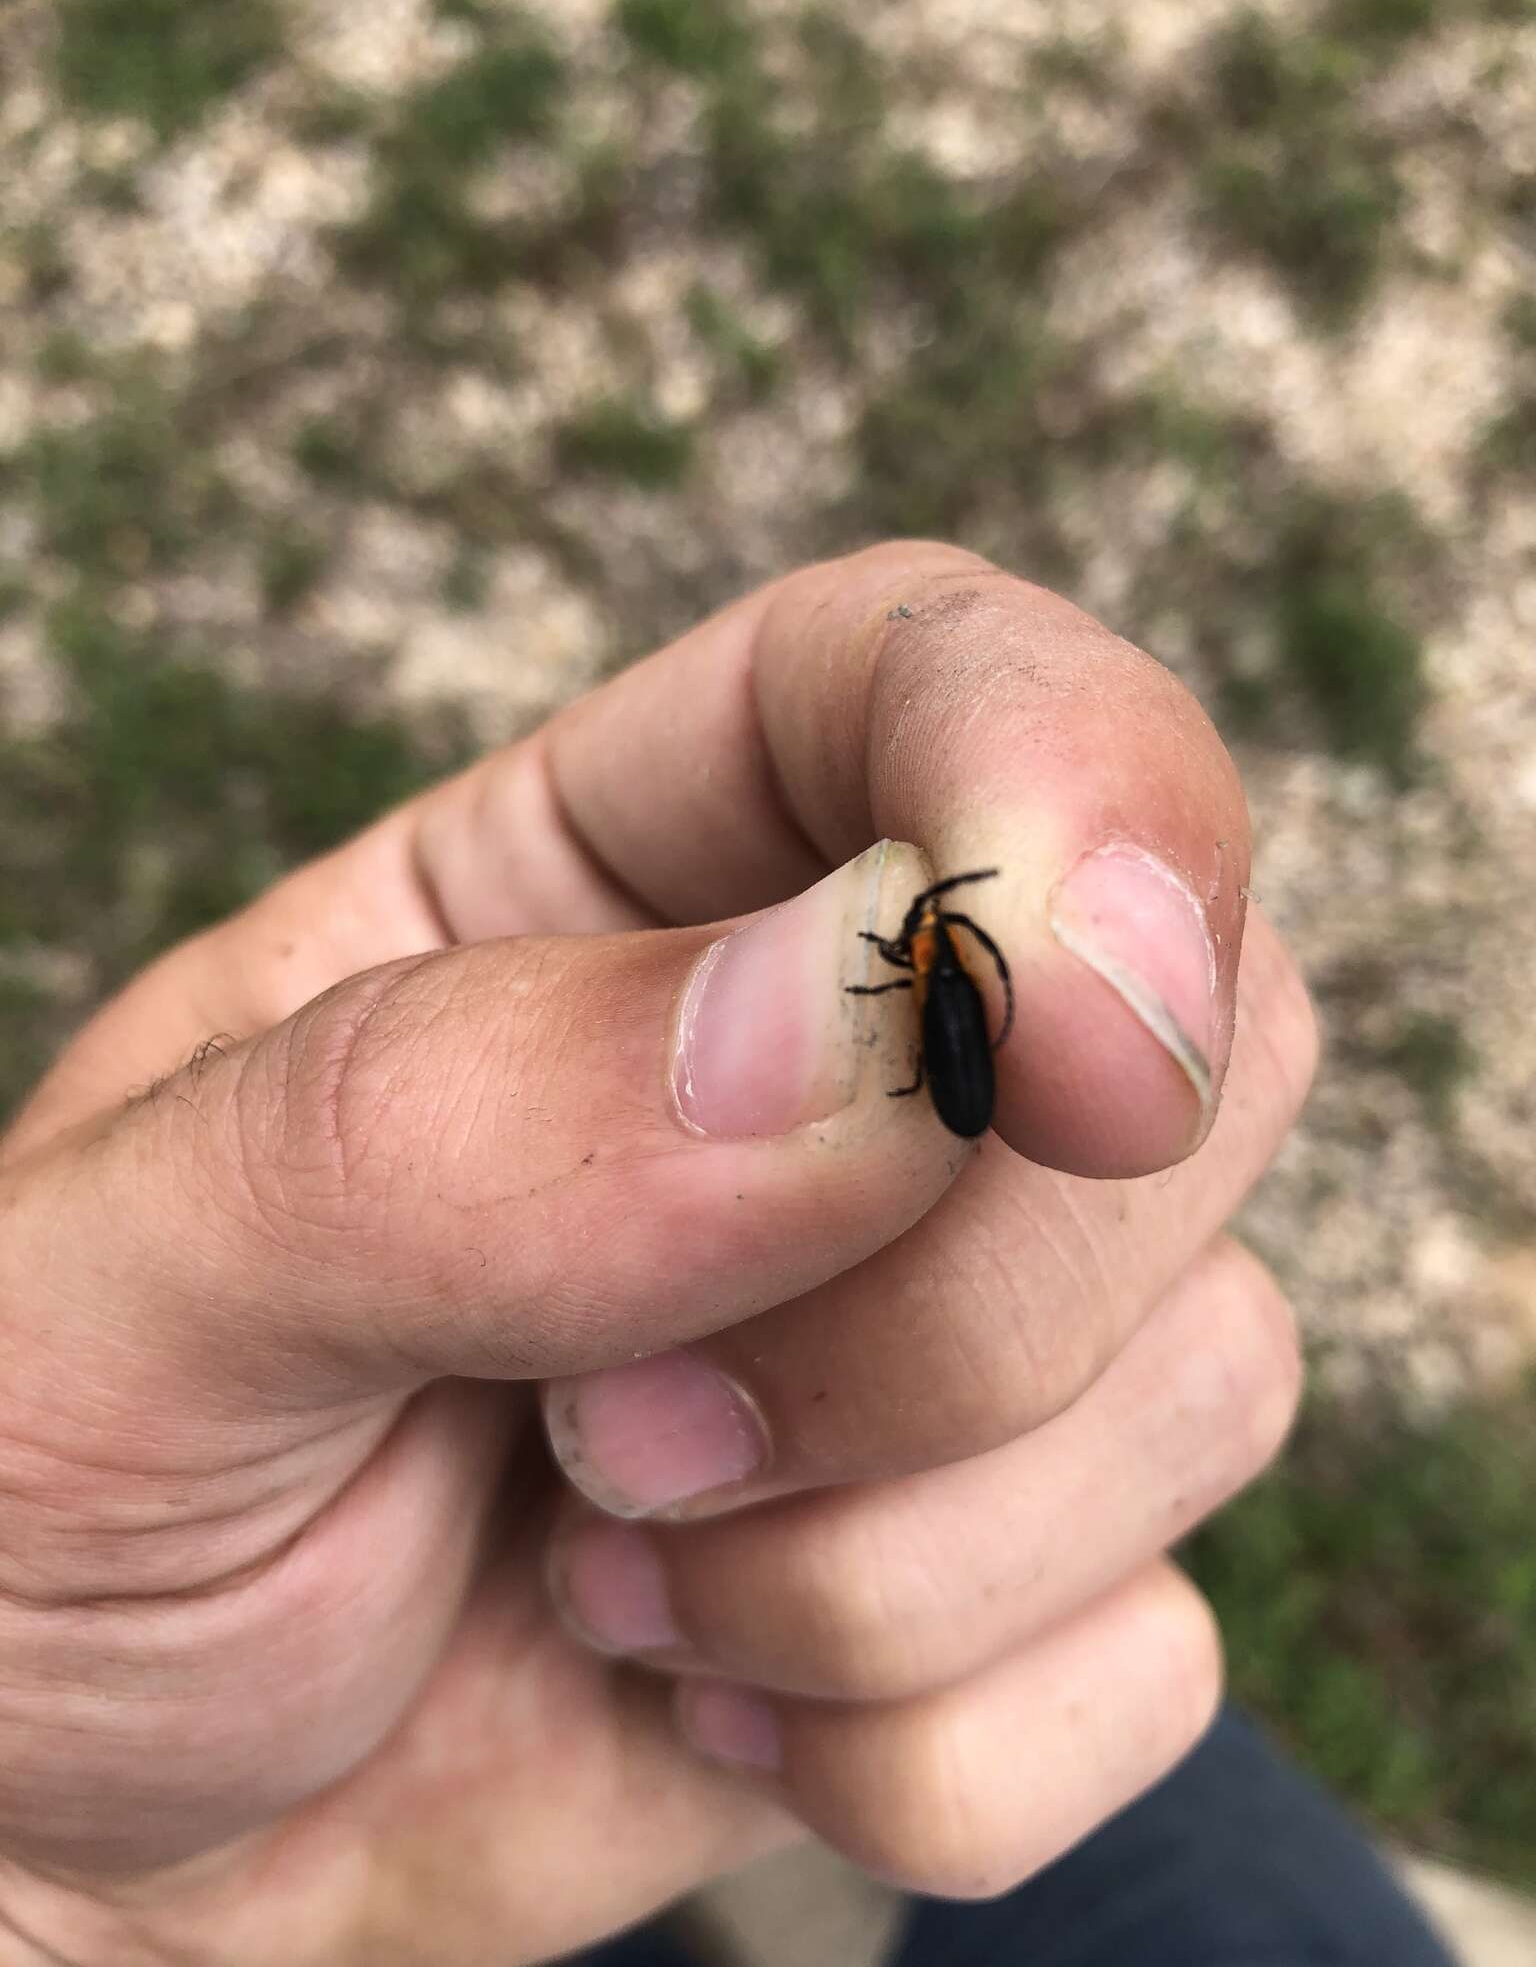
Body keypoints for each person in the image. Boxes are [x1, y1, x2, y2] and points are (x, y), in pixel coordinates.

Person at [0, 543, 1451, 1966]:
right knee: (1259, 1898)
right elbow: (949, 999)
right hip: (334, 1846)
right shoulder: (928, 971)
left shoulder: (927, 972)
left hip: (347, 1852)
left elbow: (950, 1000)